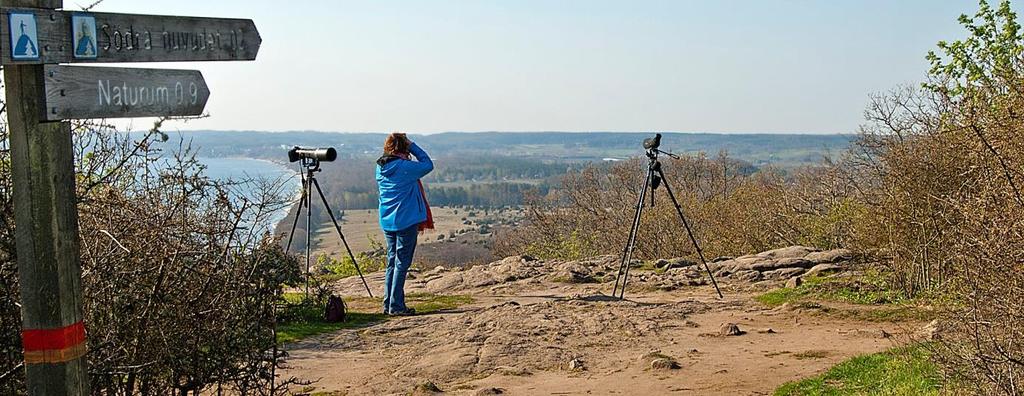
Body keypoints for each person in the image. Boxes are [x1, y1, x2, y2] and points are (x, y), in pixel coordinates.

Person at [376, 133, 434, 316]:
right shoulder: (405, 168)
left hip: (387, 219)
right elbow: (428, 164)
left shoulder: (380, 167)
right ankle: (396, 306)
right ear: (404, 147)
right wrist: (413, 146)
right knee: (402, 262)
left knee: (392, 261)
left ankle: (388, 304)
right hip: (406, 219)